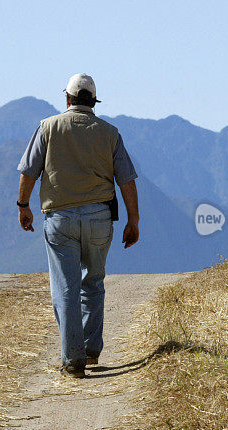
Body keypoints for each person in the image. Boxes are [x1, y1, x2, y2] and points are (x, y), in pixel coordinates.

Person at [16, 73, 140, 378]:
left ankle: (73, 359)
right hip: (100, 219)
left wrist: (23, 206)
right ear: (93, 103)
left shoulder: (48, 127)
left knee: (65, 288)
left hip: (60, 219)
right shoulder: (110, 133)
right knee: (93, 282)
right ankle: (90, 349)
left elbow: (29, 171)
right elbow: (126, 180)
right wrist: (133, 219)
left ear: (68, 99)